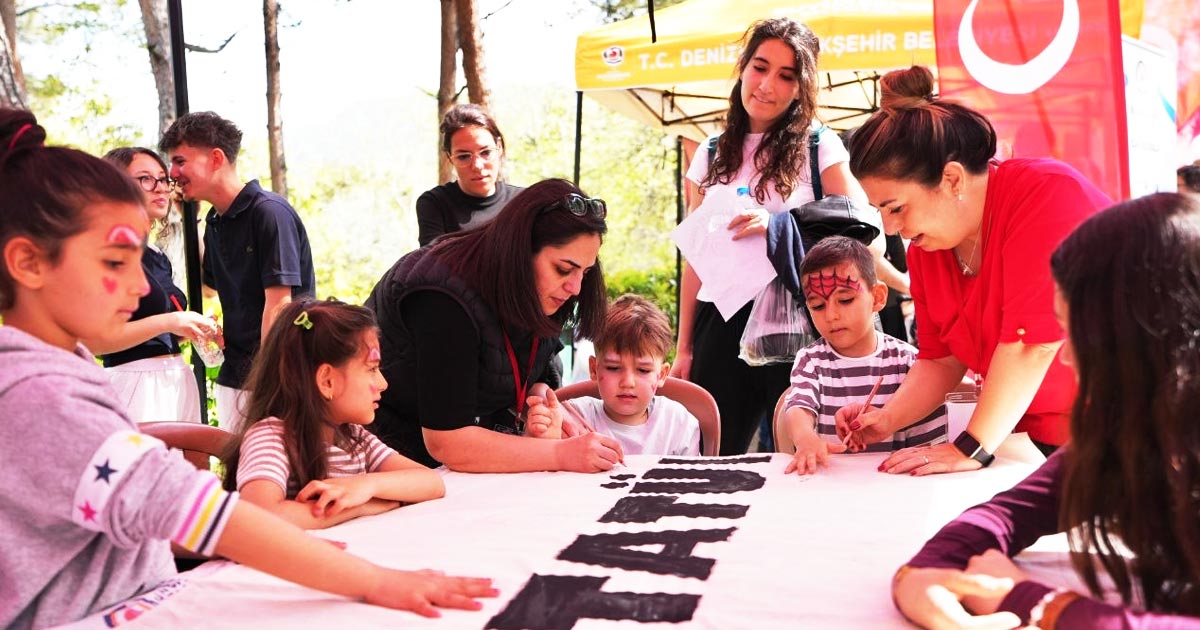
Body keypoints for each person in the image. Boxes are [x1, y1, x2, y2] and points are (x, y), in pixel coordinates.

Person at [0, 109, 496, 629]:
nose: (143, 286)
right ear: (28, 263)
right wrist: (377, 581)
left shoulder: (53, 369)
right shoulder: (43, 396)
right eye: (114, 262)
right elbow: (208, 518)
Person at [891, 193, 1200, 629]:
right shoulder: (1130, 430)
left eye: (1079, 334)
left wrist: (1031, 600)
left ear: (1147, 335)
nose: (1067, 356)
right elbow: (1005, 513)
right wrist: (923, 575)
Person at [839, 66, 1111, 474]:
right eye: (880, 211)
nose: (891, 229)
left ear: (952, 179)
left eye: (896, 208)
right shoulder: (928, 249)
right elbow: (941, 361)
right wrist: (887, 418)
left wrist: (970, 448)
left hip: (1127, 427)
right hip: (1029, 440)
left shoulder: (1046, 195)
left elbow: (1032, 344)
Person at [672, 17, 905, 455]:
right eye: (760, 67)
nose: (767, 85)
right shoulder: (709, 152)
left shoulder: (819, 146)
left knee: (807, 454)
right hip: (720, 322)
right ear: (743, 68)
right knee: (713, 456)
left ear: (801, 87)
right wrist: (684, 347)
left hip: (802, 317)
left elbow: (867, 232)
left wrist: (782, 226)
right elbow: (697, 259)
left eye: (786, 75)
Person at [365, 178, 624, 473]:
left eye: (585, 273)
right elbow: (447, 441)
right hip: (387, 460)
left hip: (458, 468)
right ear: (520, 251)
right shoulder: (443, 298)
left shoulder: (536, 289)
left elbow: (523, 369)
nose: (575, 288)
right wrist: (561, 454)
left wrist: (542, 401)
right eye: (563, 269)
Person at [223, 299, 444, 529]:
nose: (383, 383)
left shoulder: (354, 438)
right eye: (371, 369)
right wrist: (355, 507)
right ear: (327, 381)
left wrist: (366, 486)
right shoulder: (272, 437)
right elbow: (259, 517)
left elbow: (431, 482)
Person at [159, 111, 316, 433]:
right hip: (233, 375)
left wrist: (268, 383)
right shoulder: (215, 221)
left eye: (180, 161)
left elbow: (279, 305)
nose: (172, 173)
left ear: (216, 158)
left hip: (276, 379)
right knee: (236, 462)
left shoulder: (269, 213)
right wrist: (191, 217)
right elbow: (209, 288)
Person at [778, 237, 946, 475]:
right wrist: (805, 438)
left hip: (898, 485)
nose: (831, 315)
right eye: (817, 306)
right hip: (832, 485)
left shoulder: (910, 362)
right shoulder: (811, 361)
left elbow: (927, 448)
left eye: (845, 300)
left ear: (877, 297)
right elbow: (798, 406)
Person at [80, 147, 215, 423]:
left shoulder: (156, 255)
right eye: (146, 179)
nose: (160, 187)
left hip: (176, 382)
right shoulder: (107, 251)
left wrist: (188, 327)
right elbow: (93, 342)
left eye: (163, 179)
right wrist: (170, 321)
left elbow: (208, 288)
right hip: (135, 386)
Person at [529, 294, 701, 456]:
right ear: (594, 369)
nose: (627, 382)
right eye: (613, 368)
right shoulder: (572, 417)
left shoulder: (679, 424)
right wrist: (544, 439)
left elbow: (694, 477)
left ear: (662, 374)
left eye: (643, 370)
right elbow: (540, 465)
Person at [417, 103, 522, 246]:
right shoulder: (436, 204)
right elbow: (432, 258)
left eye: (486, 152)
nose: (477, 165)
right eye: (464, 157)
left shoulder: (523, 202)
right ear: (449, 158)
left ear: (499, 148)